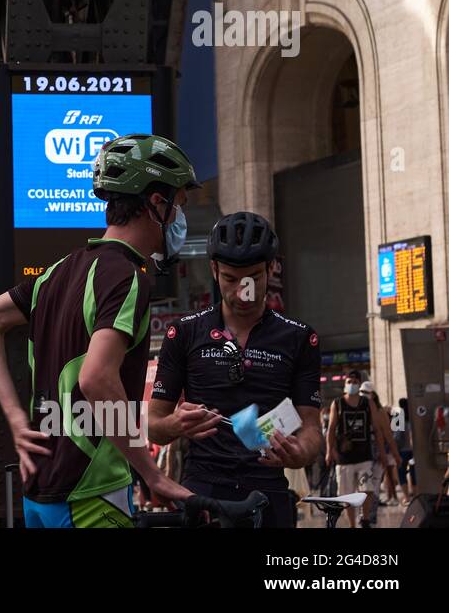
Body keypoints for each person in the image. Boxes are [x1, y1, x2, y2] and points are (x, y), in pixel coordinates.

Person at [0, 134, 200, 528]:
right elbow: (96, 379)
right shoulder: (127, 277)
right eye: (180, 204)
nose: (180, 216)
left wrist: (17, 421)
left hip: (39, 493)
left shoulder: (56, 273)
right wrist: (152, 472)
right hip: (91, 493)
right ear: (157, 204)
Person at [149, 211, 323, 528]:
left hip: (267, 490)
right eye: (231, 279)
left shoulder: (300, 338)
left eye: (253, 278)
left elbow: (312, 428)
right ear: (214, 270)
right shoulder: (184, 333)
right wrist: (176, 424)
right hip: (203, 492)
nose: (243, 291)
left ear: (272, 268)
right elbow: (153, 424)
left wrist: (301, 452)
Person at [326, 371, 396, 527]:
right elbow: (331, 429)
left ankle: (364, 518)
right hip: (344, 458)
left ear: (359, 384)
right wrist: (329, 451)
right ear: (345, 384)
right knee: (346, 494)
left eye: (355, 381)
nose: (352, 384)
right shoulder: (337, 404)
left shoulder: (367, 403)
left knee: (368, 489)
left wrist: (383, 453)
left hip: (364, 456)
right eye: (349, 381)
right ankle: (351, 524)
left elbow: (377, 430)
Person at [359, 383, 402, 505]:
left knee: (374, 485)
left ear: (373, 395)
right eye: (361, 392)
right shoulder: (355, 409)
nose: (363, 395)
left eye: (366, 392)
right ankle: (365, 516)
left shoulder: (380, 412)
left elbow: (388, 436)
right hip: (361, 453)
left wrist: (395, 454)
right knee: (363, 485)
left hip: (377, 452)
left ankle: (369, 517)